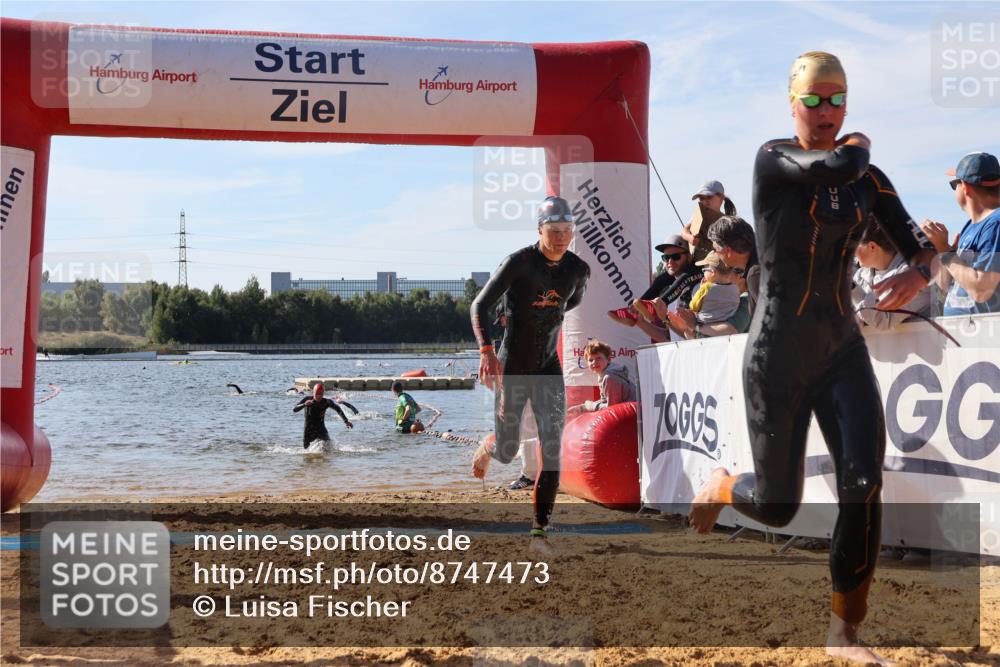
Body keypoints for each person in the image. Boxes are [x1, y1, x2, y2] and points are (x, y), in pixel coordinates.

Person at [687, 51, 935, 666]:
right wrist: (862, 143)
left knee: (863, 482)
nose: (825, 111)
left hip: (841, 348)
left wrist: (918, 273)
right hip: (777, 352)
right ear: (792, 103)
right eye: (814, 100)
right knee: (778, 505)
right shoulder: (775, 160)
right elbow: (837, 163)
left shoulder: (869, 180)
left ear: (845, 103)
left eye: (836, 99)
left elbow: (917, 244)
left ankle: (844, 632)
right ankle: (722, 482)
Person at [470, 195, 590, 545]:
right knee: (509, 451)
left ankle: (539, 529)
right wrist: (486, 351)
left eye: (567, 230)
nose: (561, 238)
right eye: (554, 231)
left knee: (552, 449)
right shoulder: (519, 263)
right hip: (513, 366)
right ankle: (491, 444)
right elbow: (479, 305)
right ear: (540, 230)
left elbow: (573, 301)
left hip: (548, 367)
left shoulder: (578, 270)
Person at [921, 151, 1000, 316]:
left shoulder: (995, 223)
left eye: (954, 184)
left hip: (986, 334)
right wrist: (941, 251)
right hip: (968, 332)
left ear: (965, 187)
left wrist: (945, 251)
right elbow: (947, 286)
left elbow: (982, 291)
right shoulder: (972, 225)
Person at [608, 234, 701, 330]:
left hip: (702, 270)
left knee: (684, 277)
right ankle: (633, 312)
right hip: (683, 334)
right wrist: (686, 233)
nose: (670, 261)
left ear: (689, 256)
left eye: (676, 257)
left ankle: (655, 305)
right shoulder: (670, 275)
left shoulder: (694, 274)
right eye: (666, 257)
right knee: (661, 279)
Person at [852, 215, 931, 329]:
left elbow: (883, 320)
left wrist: (850, 286)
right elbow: (853, 322)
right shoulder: (860, 275)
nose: (850, 251)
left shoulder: (911, 276)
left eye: (854, 245)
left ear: (872, 247)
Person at [568, 340, 636, 415]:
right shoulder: (603, 374)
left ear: (608, 359)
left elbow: (612, 408)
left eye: (598, 358)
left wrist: (589, 406)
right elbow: (604, 400)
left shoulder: (610, 377)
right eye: (591, 360)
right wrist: (582, 407)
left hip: (633, 414)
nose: (594, 362)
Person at [685, 251, 741, 324]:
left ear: (712, 272)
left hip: (706, 324)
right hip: (726, 324)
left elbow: (693, 306)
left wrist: (701, 289)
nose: (703, 273)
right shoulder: (735, 288)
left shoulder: (706, 288)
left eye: (704, 270)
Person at [292, 383, 353, 448]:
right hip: (309, 430)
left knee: (329, 448)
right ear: (313, 393)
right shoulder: (307, 399)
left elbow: (338, 409)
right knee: (306, 452)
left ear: (323, 394)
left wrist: (346, 421)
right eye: (316, 394)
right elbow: (295, 409)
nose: (318, 396)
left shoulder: (326, 402)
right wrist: (304, 404)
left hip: (321, 428)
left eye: (320, 394)